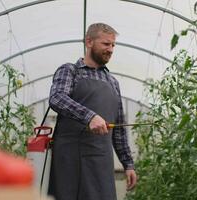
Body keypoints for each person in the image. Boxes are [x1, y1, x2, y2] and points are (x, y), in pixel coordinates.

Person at [48, 23, 137, 200]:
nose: (111, 49)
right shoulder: (71, 71)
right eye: (105, 44)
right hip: (70, 161)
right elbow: (57, 97)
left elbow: (118, 129)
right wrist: (90, 116)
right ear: (89, 42)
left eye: (113, 45)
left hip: (101, 162)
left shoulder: (113, 82)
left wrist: (128, 164)